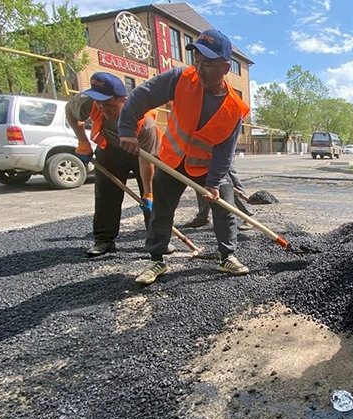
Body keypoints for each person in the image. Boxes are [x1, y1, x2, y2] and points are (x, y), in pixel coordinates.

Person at [118, 29, 251, 285]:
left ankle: (227, 257)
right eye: (197, 61)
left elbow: (225, 151)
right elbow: (142, 95)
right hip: (170, 161)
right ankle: (157, 259)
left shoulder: (235, 108)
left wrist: (213, 183)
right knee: (162, 210)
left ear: (225, 67)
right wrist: (126, 130)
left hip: (207, 168)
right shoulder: (180, 78)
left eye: (209, 64)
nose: (200, 69)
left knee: (225, 208)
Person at [66, 72, 161, 258]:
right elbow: (70, 111)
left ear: (123, 100)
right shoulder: (88, 102)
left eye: (108, 104)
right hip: (110, 149)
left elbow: (147, 160)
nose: (102, 109)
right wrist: (83, 142)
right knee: (105, 195)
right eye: (99, 104)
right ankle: (104, 240)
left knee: (154, 196)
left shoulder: (144, 122)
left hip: (141, 153)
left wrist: (148, 193)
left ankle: (158, 240)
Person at [184, 166, 255, 231]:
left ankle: (249, 217)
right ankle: (202, 217)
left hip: (221, 155)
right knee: (200, 182)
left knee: (230, 181)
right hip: (202, 155)